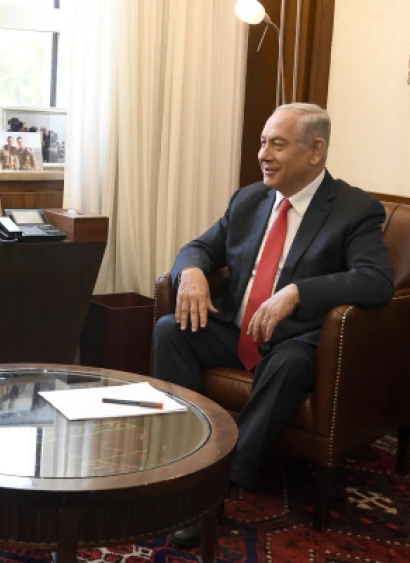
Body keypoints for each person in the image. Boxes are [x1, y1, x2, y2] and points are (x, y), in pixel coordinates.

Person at [152, 103, 394, 547]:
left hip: (297, 342)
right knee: (171, 329)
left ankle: (218, 485)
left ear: (316, 150)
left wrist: (300, 292)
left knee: (287, 365)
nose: (263, 154)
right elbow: (199, 247)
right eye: (263, 142)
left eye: (277, 144)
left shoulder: (355, 210)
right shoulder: (249, 200)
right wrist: (191, 272)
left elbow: (377, 282)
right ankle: (182, 459)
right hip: (237, 330)